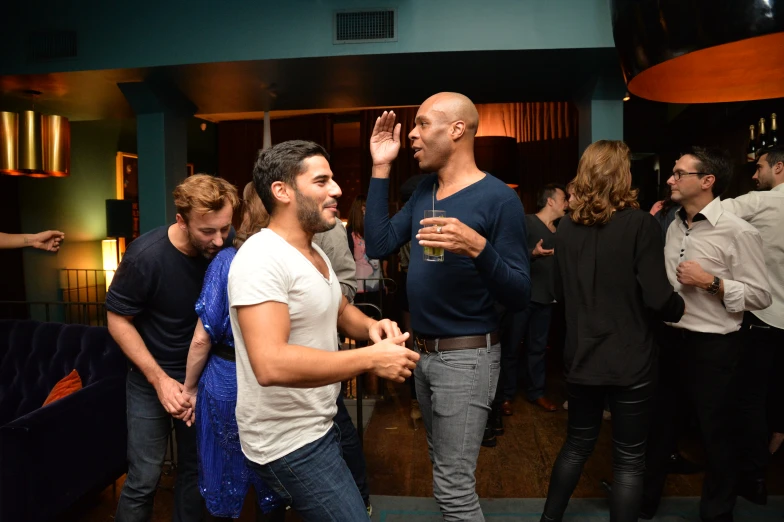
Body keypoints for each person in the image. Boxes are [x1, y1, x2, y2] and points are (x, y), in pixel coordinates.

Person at [229, 140, 418, 522]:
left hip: (322, 420)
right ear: (282, 191)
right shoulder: (260, 258)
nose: (337, 190)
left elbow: (337, 308)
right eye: (322, 181)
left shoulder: (313, 251)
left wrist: (371, 327)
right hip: (287, 441)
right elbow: (270, 364)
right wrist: (370, 359)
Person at [365, 93, 531, 521]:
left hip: (467, 357)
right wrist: (381, 168)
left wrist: (479, 248)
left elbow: (518, 294)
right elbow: (380, 243)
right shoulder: (425, 190)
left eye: (422, 124)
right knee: (444, 474)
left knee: (455, 489)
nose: (413, 136)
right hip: (424, 353)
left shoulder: (499, 199)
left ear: (457, 130)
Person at [540, 140, 685, 522]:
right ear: (622, 175)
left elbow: (557, 291)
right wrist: (680, 305)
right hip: (630, 358)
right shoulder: (640, 224)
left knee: (576, 446)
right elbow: (658, 298)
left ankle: (548, 519)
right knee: (629, 459)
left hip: (581, 356)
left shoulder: (566, 229)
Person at [642, 146, 771, 522]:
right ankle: (644, 504)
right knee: (659, 429)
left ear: (707, 181)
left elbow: (761, 296)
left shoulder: (738, 231)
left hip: (714, 348)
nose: (670, 179)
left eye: (679, 173)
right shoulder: (672, 224)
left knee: (716, 435)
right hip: (669, 341)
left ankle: (716, 513)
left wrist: (711, 282)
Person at [106, 174, 239, 522]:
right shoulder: (145, 256)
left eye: (225, 228)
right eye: (207, 231)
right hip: (150, 379)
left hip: (202, 379)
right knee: (143, 479)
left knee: (197, 472)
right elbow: (118, 320)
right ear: (181, 220)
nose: (219, 239)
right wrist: (160, 380)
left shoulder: (225, 243)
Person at [177, 182, 285, 522]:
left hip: (225, 378)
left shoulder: (227, 260)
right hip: (271, 376)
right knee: (269, 463)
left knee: (221, 465)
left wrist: (189, 387)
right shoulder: (282, 258)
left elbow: (201, 338)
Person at [721, 144, 784, 505]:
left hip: (764, 315)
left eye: (759, 167)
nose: (755, 173)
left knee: (750, 398)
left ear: (778, 168)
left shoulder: (761, 203)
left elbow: (713, 211)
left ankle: (754, 477)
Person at [499, 183, 569, 416]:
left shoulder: (561, 230)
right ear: (550, 201)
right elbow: (509, 257)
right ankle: (505, 396)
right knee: (511, 348)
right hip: (523, 298)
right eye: (563, 199)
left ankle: (536, 392)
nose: (566, 203)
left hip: (547, 300)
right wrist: (533, 253)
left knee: (538, 349)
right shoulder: (527, 222)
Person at [347, 194, 387, 307]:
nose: (367, 214)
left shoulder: (374, 232)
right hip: (359, 286)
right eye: (364, 210)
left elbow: (382, 257)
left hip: (377, 285)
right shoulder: (349, 233)